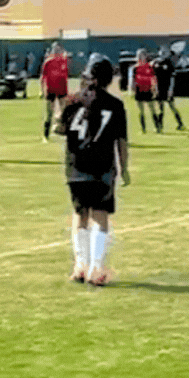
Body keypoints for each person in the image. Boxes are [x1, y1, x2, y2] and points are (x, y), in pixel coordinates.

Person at [57, 53, 130, 286]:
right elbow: (121, 142)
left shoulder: (73, 100)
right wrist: (125, 168)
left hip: (76, 167)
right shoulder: (115, 105)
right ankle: (96, 268)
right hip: (102, 169)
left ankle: (80, 265)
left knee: (80, 215)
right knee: (100, 216)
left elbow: (60, 128)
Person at [40, 42, 71, 142]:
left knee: (65, 111)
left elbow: (65, 76)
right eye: (56, 50)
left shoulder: (64, 61)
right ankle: (46, 135)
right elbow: (42, 78)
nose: (58, 52)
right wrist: (42, 90)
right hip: (51, 90)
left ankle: (64, 132)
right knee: (49, 113)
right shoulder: (48, 62)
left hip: (62, 89)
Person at [151, 47, 185, 132]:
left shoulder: (169, 63)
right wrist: (154, 88)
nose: (162, 53)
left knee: (172, 107)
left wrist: (170, 89)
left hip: (167, 88)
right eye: (161, 51)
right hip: (159, 88)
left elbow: (172, 78)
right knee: (160, 108)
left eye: (164, 52)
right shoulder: (155, 63)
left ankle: (180, 124)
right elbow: (153, 77)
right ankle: (159, 127)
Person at [130, 48, 156, 134]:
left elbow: (153, 78)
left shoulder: (150, 66)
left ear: (146, 56)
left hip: (148, 89)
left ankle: (157, 127)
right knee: (141, 111)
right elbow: (132, 80)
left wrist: (154, 88)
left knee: (152, 109)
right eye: (139, 56)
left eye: (143, 55)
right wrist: (132, 89)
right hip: (139, 90)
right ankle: (143, 129)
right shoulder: (135, 68)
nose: (141, 57)